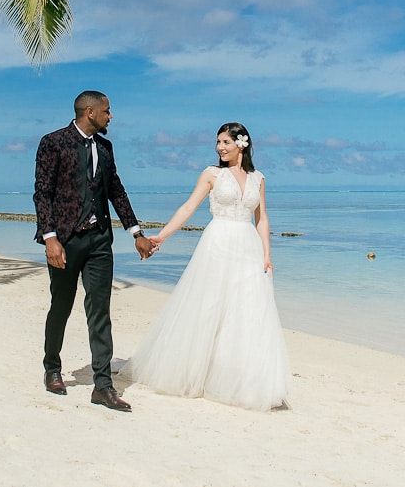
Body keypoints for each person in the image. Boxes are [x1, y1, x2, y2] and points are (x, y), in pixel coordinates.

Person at [122, 122, 290, 411]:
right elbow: (188, 207)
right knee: (208, 307)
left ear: (242, 144)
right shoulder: (212, 174)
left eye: (226, 142)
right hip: (218, 243)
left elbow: (262, 219)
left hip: (248, 248)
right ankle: (194, 373)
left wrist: (267, 255)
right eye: (218, 143)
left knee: (245, 311)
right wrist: (162, 235)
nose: (220, 148)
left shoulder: (258, 179)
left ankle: (240, 380)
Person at [34, 90, 154, 412]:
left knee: (100, 310)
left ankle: (103, 385)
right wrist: (50, 239)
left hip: (100, 240)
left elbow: (115, 189)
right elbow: (42, 193)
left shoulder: (105, 147)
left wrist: (136, 232)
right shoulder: (53, 142)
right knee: (61, 305)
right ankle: (52, 368)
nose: (110, 117)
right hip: (65, 241)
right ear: (90, 112)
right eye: (107, 111)